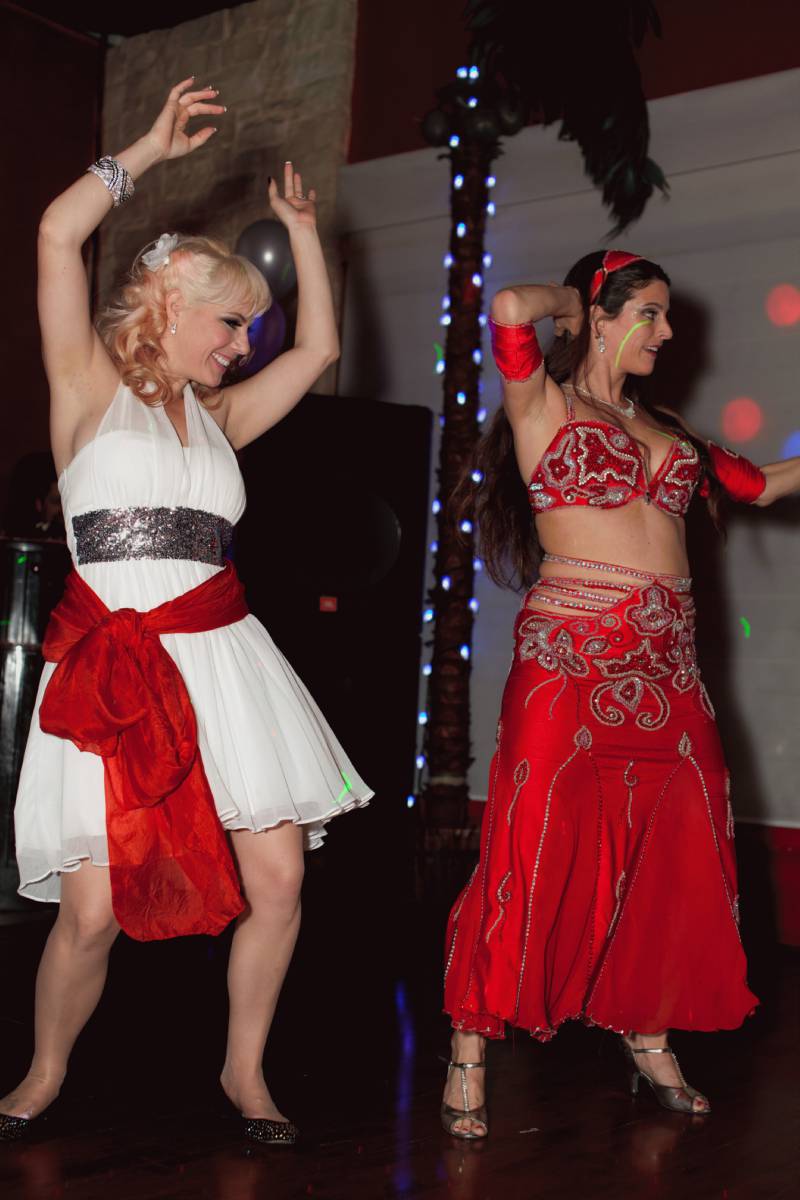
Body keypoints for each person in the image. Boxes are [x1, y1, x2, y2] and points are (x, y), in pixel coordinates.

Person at [0, 78, 371, 1145]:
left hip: (222, 664)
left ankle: (244, 1074)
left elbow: (319, 352)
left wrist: (305, 236)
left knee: (279, 877)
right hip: (111, 674)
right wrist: (150, 151)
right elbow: (56, 231)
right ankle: (44, 1071)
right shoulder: (84, 386)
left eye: (249, 328)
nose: (244, 344)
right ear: (167, 299)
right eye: (231, 321)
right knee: (92, 912)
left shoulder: (222, 417)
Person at [440, 249, 799, 1138]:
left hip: (669, 667)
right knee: (530, 844)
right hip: (571, 657)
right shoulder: (543, 404)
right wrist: (573, 301)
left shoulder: (670, 430)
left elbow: (760, 485)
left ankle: (648, 1034)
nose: (668, 331)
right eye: (650, 312)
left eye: (668, 316)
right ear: (600, 317)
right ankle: (470, 1045)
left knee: (677, 844)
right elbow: (510, 307)